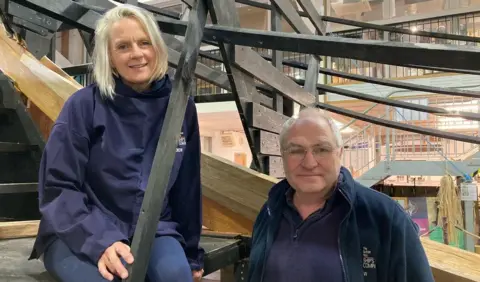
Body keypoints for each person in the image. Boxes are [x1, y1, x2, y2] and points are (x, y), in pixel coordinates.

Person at [28, 4, 204, 282]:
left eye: (144, 42)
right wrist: (101, 241)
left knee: (175, 275)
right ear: (109, 57)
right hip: (78, 227)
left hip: (152, 227)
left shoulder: (180, 106)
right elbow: (59, 188)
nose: (136, 53)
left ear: (157, 47)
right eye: (123, 46)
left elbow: (187, 185)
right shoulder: (83, 106)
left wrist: (192, 254)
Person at [247, 107, 434, 282]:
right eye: (296, 150)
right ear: (283, 156)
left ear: (340, 153)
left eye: (322, 149)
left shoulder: (386, 217)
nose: (309, 163)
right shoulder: (269, 212)